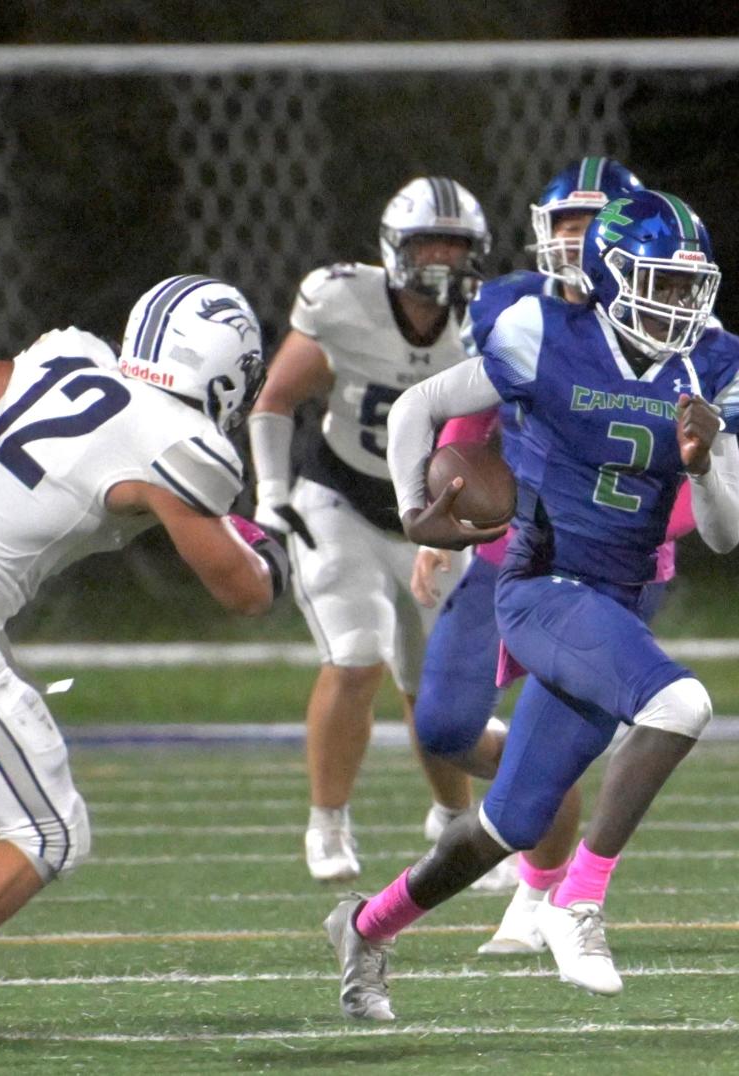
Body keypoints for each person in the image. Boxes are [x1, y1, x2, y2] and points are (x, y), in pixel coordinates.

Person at [324, 189, 739, 1020]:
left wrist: (703, 464)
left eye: (687, 286)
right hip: (539, 582)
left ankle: (366, 928)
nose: (677, 305)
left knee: (509, 822)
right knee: (680, 700)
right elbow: (422, 405)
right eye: (660, 283)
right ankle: (579, 904)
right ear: (612, 274)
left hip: (619, 600)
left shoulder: (715, 367)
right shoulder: (543, 337)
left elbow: (726, 534)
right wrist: (416, 506)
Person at [0, 276, 287, 1076]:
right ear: (228, 368)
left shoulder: (67, 366)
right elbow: (242, 593)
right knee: (50, 833)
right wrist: (275, 555)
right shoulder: (179, 444)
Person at [409, 157, 697, 938]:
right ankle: (527, 793)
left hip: (610, 568)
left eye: (590, 224)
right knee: (441, 724)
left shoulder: (677, 335)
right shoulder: (516, 309)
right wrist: (445, 514)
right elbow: (468, 417)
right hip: (519, 545)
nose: (575, 239)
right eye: (563, 223)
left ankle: (539, 890)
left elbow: (693, 475)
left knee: (556, 737)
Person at [248, 177, 492, 883]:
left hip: (435, 514)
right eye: (430, 243)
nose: (444, 258)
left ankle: (453, 818)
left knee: (431, 684)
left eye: (457, 244)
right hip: (341, 499)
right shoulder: (343, 299)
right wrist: (269, 497)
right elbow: (275, 399)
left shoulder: (491, 320)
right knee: (355, 656)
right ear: (394, 248)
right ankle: (328, 823)